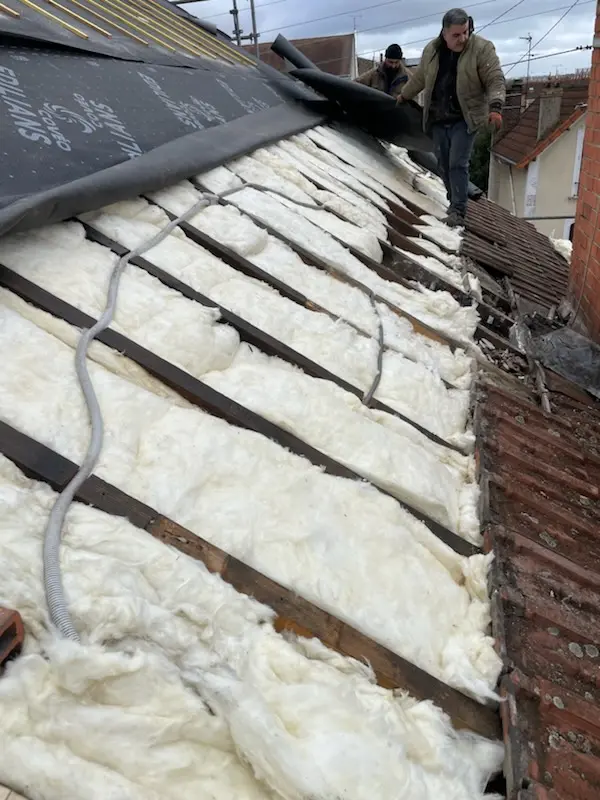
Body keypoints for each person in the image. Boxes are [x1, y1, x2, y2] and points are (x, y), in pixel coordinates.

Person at [398, 8, 505, 227]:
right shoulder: (432, 51)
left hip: (465, 118)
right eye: (456, 35)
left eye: (466, 32)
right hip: (438, 117)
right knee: (444, 165)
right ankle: (453, 201)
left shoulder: (482, 49)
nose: (463, 38)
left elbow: (495, 78)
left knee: (458, 163)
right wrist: (403, 96)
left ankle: (458, 209)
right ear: (444, 33)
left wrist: (495, 107)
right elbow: (420, 78)